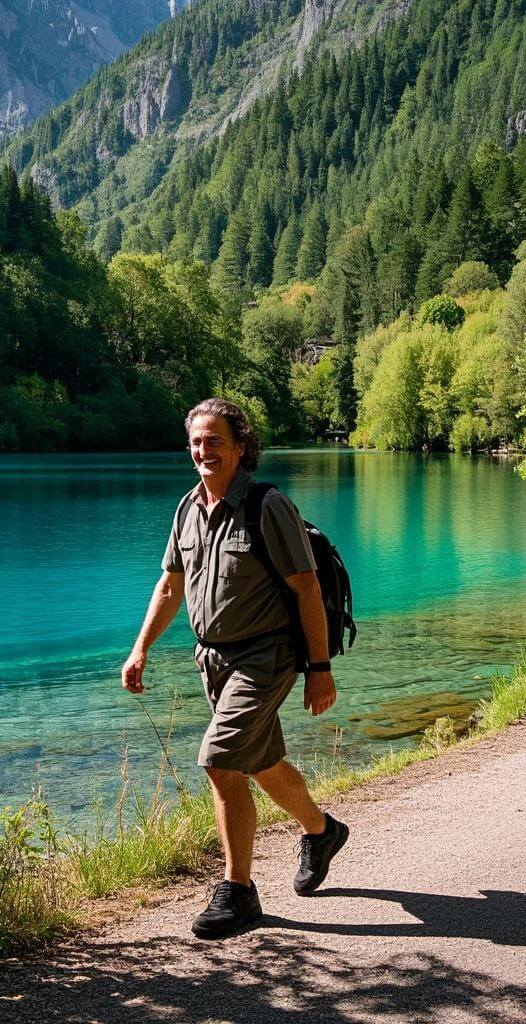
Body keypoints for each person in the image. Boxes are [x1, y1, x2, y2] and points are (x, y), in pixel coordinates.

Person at [120, 397, 349, 940]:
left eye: (215, 441)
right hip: (212, 659)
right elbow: (170, 586)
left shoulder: (268, 505)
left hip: (266, 657)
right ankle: (321, 832)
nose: (204, 451)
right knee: (260, 763)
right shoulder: (186, 508)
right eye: (197, 441)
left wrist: (319, 667)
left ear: (242, 447)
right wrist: (140, 648)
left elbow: (306, 587)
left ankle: (239, 892)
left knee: (221, 762)